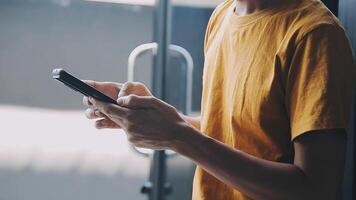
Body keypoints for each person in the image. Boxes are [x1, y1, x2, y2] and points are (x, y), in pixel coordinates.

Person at [83, 0, 356, 199]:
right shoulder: (223, 15)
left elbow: (312, 189)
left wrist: (178, 136)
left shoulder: (315, 34)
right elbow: (236, 134)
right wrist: (159, 121)